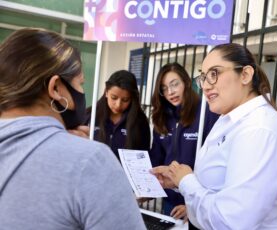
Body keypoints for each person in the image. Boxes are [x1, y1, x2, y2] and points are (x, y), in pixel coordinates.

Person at [0, 28, 146, 230]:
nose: (118, 104)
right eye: (80, 84)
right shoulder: (92, 161)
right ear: (56, 88)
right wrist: (75, 153)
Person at [151, 43, 277, 230]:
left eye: (214, 74)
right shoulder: (229, 118)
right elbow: (218, 185)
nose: (205, 86)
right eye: (203, 77)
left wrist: (187, 182)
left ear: (245, 75)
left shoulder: (259, 130)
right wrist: (178, 180)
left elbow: (231, 222)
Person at [149, 62, 218, 223]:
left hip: (200, 201)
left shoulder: (206, 113)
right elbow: (156, 158)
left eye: (174, 84)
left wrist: (193, 207)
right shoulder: (161, 118)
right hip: (171, 201)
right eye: (164, 88)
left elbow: (215, 165)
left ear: (186, 83)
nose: (170, 92)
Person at [85, 70, 150, 159]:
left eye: (125, 100)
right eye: (114, 98)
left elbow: (143, 157)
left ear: (132, 99)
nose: (118, 104)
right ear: (106, 92)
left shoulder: (140, 122)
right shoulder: (90, 115)